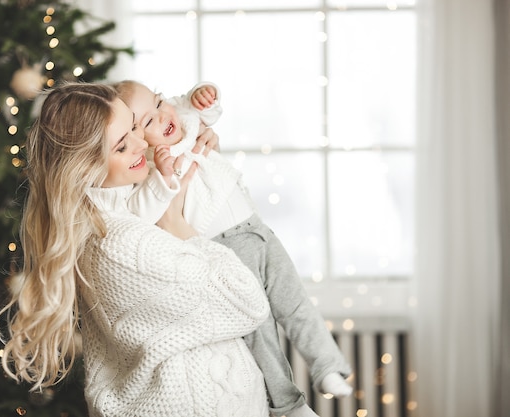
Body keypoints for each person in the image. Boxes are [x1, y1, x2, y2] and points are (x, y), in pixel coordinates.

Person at [0, 82, 274, 417]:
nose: (143, 142)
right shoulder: (121, 246)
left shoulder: (124, 203)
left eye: (134, 126)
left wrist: (194, 144)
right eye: (124, 144)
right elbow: (248, 300)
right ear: (86, 167)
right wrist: (175, 223)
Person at [113, 80, 353, 417]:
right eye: (148, 121)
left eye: (159, 102)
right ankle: (288, 406)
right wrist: (164, 176)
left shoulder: (185, 122)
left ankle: (327, 365)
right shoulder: (151, 166)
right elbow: (148, 210)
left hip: (256, 228)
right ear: (136, 137)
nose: (162, 115)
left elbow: (203, 107)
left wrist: (204, 93)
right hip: (224, 249)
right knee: (261, 331)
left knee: (295, 301)